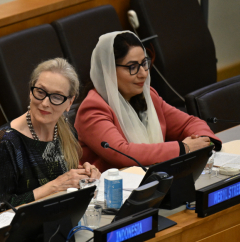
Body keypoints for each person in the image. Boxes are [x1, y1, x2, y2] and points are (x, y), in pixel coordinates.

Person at [74, 31, 222, 172]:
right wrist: (183, 148)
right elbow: (122, 153)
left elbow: (188, 124)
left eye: (144, 63)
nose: (143, 73)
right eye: (132, 67)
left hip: (154, 181)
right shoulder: (93, 108)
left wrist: (204, 140)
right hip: (114, 190)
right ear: (109, 70)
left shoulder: (149, 96)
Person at [0, 58, 101, 211]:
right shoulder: (5, 141)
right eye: (40, 92)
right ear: (30, 91)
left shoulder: (66, 130)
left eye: (57, 97)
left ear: (70, 102)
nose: (45, 103)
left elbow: (66, 177)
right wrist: (54, 187)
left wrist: (85, 175)